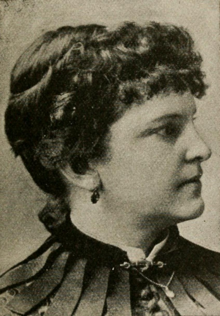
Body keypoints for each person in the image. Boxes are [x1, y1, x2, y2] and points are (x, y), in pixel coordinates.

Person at [1, 21, 220, 316]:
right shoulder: (14, 306)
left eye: (191, 122)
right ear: (81, 166)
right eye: (166, 130)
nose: (202, 149)